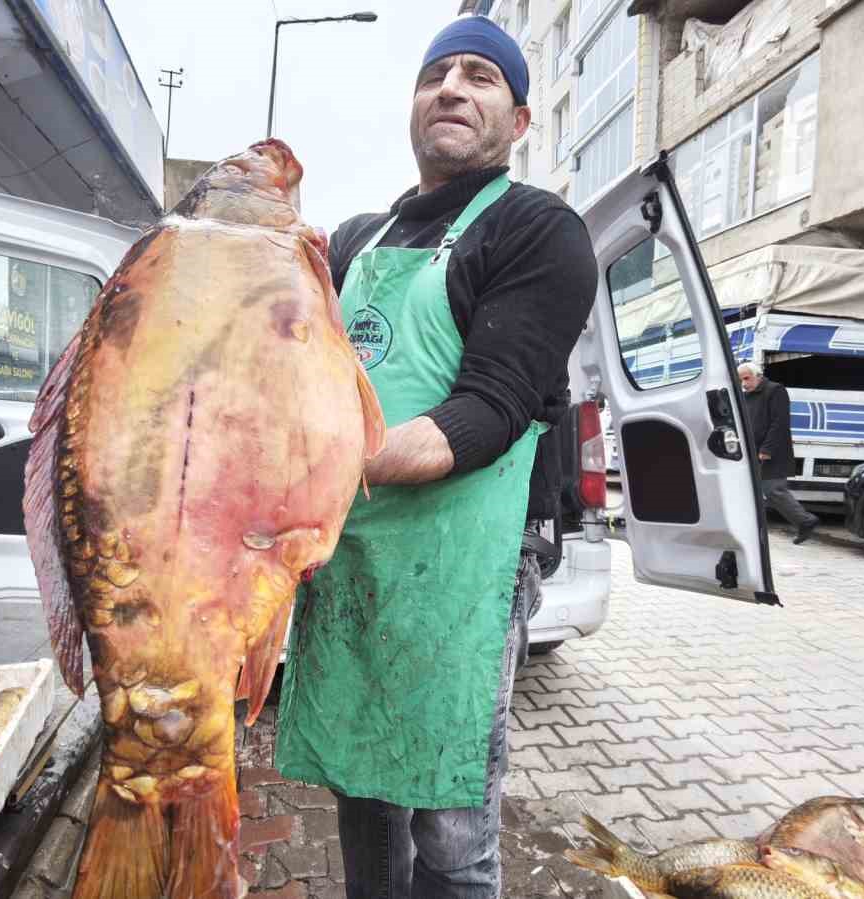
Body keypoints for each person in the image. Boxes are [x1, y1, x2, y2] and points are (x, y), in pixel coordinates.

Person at [272, 15, 598, 899]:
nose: (452, 87)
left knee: (451, 826)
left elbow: (483, 414)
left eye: (481, 78)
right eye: (435, 75)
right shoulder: (354, 242)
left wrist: (318, 469)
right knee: (365, 786)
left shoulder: (537, 230)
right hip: (357, 552)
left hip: (470, 561)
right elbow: (298, 378)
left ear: (520, 122)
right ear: (413, 104)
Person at [738, 362, 818, 544]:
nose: (743, 383)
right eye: (741, 379)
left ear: (757, 375)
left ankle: (806, 521)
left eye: (746, 378)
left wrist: (767, 449)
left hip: (772, 452)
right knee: (750, 490)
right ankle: (750, 530)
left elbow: (779, 422)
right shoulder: (746, 396)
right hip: (753, 451)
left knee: (774, 490)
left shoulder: (775, 390)